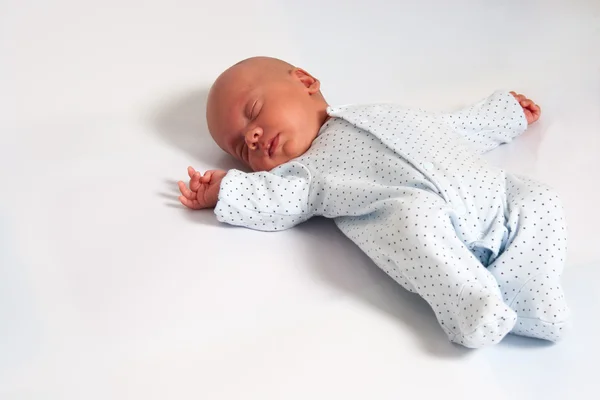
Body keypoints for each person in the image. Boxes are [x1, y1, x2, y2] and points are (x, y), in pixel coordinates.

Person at [177, 56, 570, 348]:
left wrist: (504, 115)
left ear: (304, 80)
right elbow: (278, 200)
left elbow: (450, 129)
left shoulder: (380, 112)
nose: (253, 137)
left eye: (254, 112)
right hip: (417, 214)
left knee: (538, 199)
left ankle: (533, 292)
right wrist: (228, 189)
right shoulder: (305, 174)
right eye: (241, 149)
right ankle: (470, 304)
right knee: (413, 227)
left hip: (488, 195)